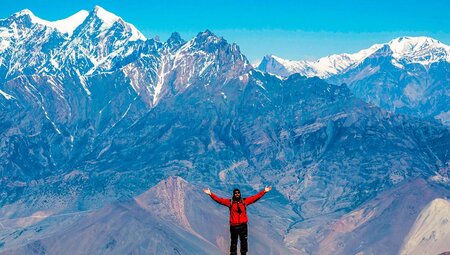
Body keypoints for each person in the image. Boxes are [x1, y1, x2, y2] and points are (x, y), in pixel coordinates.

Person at [203, 186, 272, 255]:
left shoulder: (244, 201)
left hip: (243, 226)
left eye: (238, 193)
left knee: (244, 242)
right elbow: (219, 200)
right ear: (233, 194)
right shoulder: (230, 202)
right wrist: (210, 194)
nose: (237, 194)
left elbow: (255, 198)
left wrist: (264, 191)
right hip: (234, 227)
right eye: (236, 193)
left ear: (240, 194)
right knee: (233, 242)